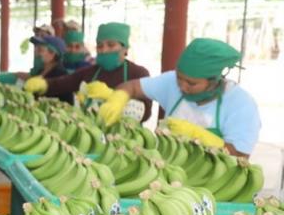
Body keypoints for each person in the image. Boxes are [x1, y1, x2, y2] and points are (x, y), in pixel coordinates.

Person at [99, 38, 261, 157]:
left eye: (191, 83)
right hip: (168, 174)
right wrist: (118, 98)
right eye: (179, 78)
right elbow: (132, 87)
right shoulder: (171, 82)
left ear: (215, 80)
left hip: (214, 183)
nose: (182, 86)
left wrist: (200, 136)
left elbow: (240, 155)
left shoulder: (241, 105)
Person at [24, 22, 152, 121]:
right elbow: (62, 83)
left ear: (125, 48)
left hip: (125, 140)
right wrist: (44, 84)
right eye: (100, 45)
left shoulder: (139, 74)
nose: (104, 50)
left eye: (111, 45)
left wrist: (112, 96)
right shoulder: (90, 72)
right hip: (92, 136)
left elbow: (146, 113)